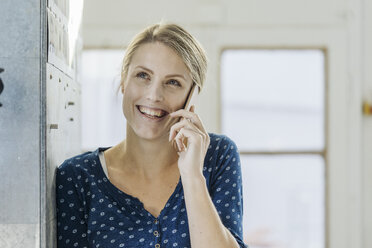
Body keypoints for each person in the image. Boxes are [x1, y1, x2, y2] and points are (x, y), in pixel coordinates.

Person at [56, 22, 248, 248]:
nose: (154, 95)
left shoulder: (216, 155)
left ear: (192, 96)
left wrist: (192, 175)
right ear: (124, 81)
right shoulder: (77, 178)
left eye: (173, 82)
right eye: (143, 76)